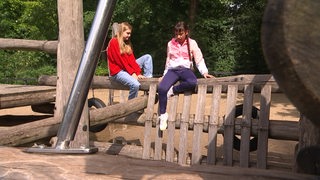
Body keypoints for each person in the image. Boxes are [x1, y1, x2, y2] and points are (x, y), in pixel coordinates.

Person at [158, 21, 215, 131]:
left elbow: (199, 58)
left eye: (181, 34)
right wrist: (164, 74)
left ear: (186, 32)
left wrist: (204, 72)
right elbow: (168, 60)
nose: (178, 36)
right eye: (176, 34)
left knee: (192, 82)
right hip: (173, 70)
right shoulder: (170, 44)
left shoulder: (192, 43)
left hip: (185, 69)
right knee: (161, 88)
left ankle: (173, 90)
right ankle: (163, 115)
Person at [106, 22, 153, 100]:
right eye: (127, 33)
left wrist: (137, 73)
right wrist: (132, 73)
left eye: (130, 33)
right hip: (118, 71)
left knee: (147, 57)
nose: (129, 35)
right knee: (135, 85)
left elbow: (132, 61)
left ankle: (148, 82)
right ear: (121, 31)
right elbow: (121, 61)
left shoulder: (127, 43)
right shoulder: (114, 42)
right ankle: (130, 106)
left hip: (126, 68)